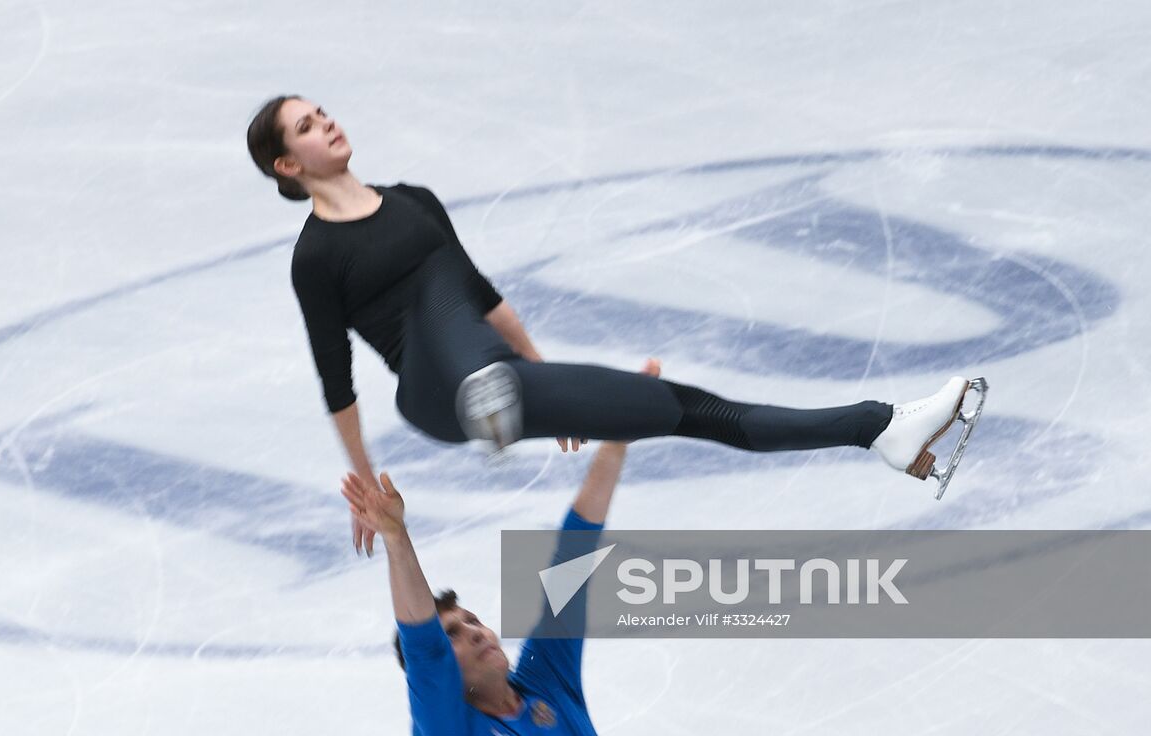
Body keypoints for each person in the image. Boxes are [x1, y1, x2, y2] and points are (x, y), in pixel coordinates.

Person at [247, 95, 982, 554]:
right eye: (308, 126)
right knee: (435, 289)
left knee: (682, 408)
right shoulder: (316, 258)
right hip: (432, 391)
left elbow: (483, 292)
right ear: (288, 165)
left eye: (324, 111)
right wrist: (369, 483)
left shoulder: (412, 199)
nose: (329, 123)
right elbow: (335, 379)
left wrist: (535, 373)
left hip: (497, 373)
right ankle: (491, 389)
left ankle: (877, 427)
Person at [341, 358, 664, 736]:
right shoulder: (449, 726)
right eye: (455, 635)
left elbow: (572, 563)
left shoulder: (546, 682)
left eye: (473, 621)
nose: (476, 632)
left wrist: (618, 434)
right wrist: (397, 539)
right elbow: (425, 649)